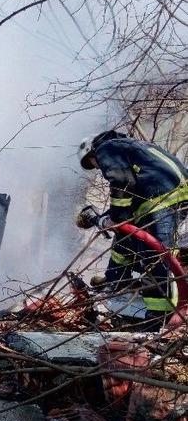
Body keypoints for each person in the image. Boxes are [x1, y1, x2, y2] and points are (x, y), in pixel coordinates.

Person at [76, 130, 188, 328]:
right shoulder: (136, 146)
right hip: (174, 199)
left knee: (156, 259)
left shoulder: (106, 148)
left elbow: (121, 181)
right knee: (128, 240)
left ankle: (157, 320)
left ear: (92, 153)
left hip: (160, 203)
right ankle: (115, 279)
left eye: (92, 163)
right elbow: (132, 192)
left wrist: (117, 219)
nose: (97, 168)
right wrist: (109, 219)